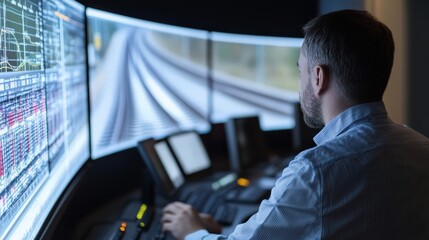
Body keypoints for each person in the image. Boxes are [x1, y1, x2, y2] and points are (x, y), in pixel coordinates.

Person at [162, 9, 429, 239]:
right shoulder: (422, 148)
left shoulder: (316, 171)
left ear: (317, 77)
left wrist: (192, 231)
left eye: (300, 71)